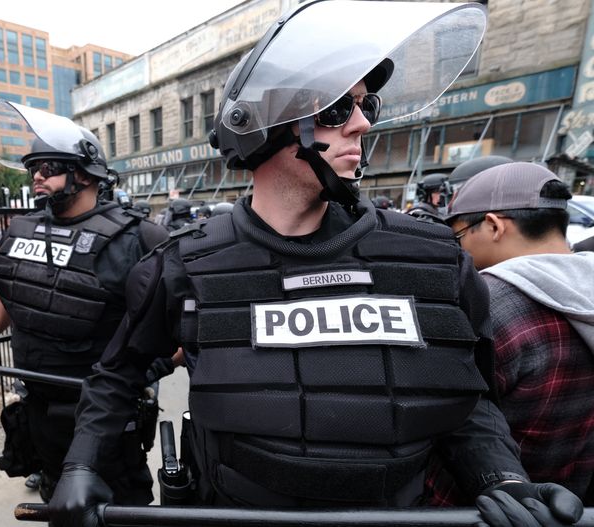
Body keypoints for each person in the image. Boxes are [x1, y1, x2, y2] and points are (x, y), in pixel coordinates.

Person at [48, 2, 584, 526]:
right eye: (335, 109)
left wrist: (501, 477)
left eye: (365, 106)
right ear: (263, 128)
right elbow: (117, 375)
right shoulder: (184, 265)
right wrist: (81, 462)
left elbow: (462, 397)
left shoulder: (433, 259)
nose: (360, 125)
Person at [0, 100, 169, 505]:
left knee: (118, 508)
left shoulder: (139, 238)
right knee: (59, 502)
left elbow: (181, 319)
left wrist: (153, 366)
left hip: (104, 414)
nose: (37, 176)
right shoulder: (24, 229)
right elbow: (11, 286)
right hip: (39, 408)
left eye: (49, 167)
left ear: (85, 172)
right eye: (34, 167)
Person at [440, 162, 594, 505]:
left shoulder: (483, 302)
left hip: (485, 507)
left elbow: (451, 421)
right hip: (574, 506)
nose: (458, 248)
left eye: (459, 236)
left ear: (493, 225)